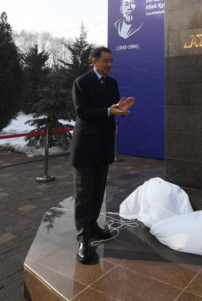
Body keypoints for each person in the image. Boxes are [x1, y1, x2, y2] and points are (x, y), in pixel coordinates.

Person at [70, 46, 135, 264]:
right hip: (86, 146)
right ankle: (83, 238)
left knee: (98, 191)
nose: (110, 64)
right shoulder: (81, 82)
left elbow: (112, 109)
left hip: (104, 145)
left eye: (111, 61)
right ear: (94, 62)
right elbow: (82, 112)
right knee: (83, 194)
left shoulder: (112, 83)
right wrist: (109, 111)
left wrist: (119, 110)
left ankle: (93, 226)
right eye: (106, 60)